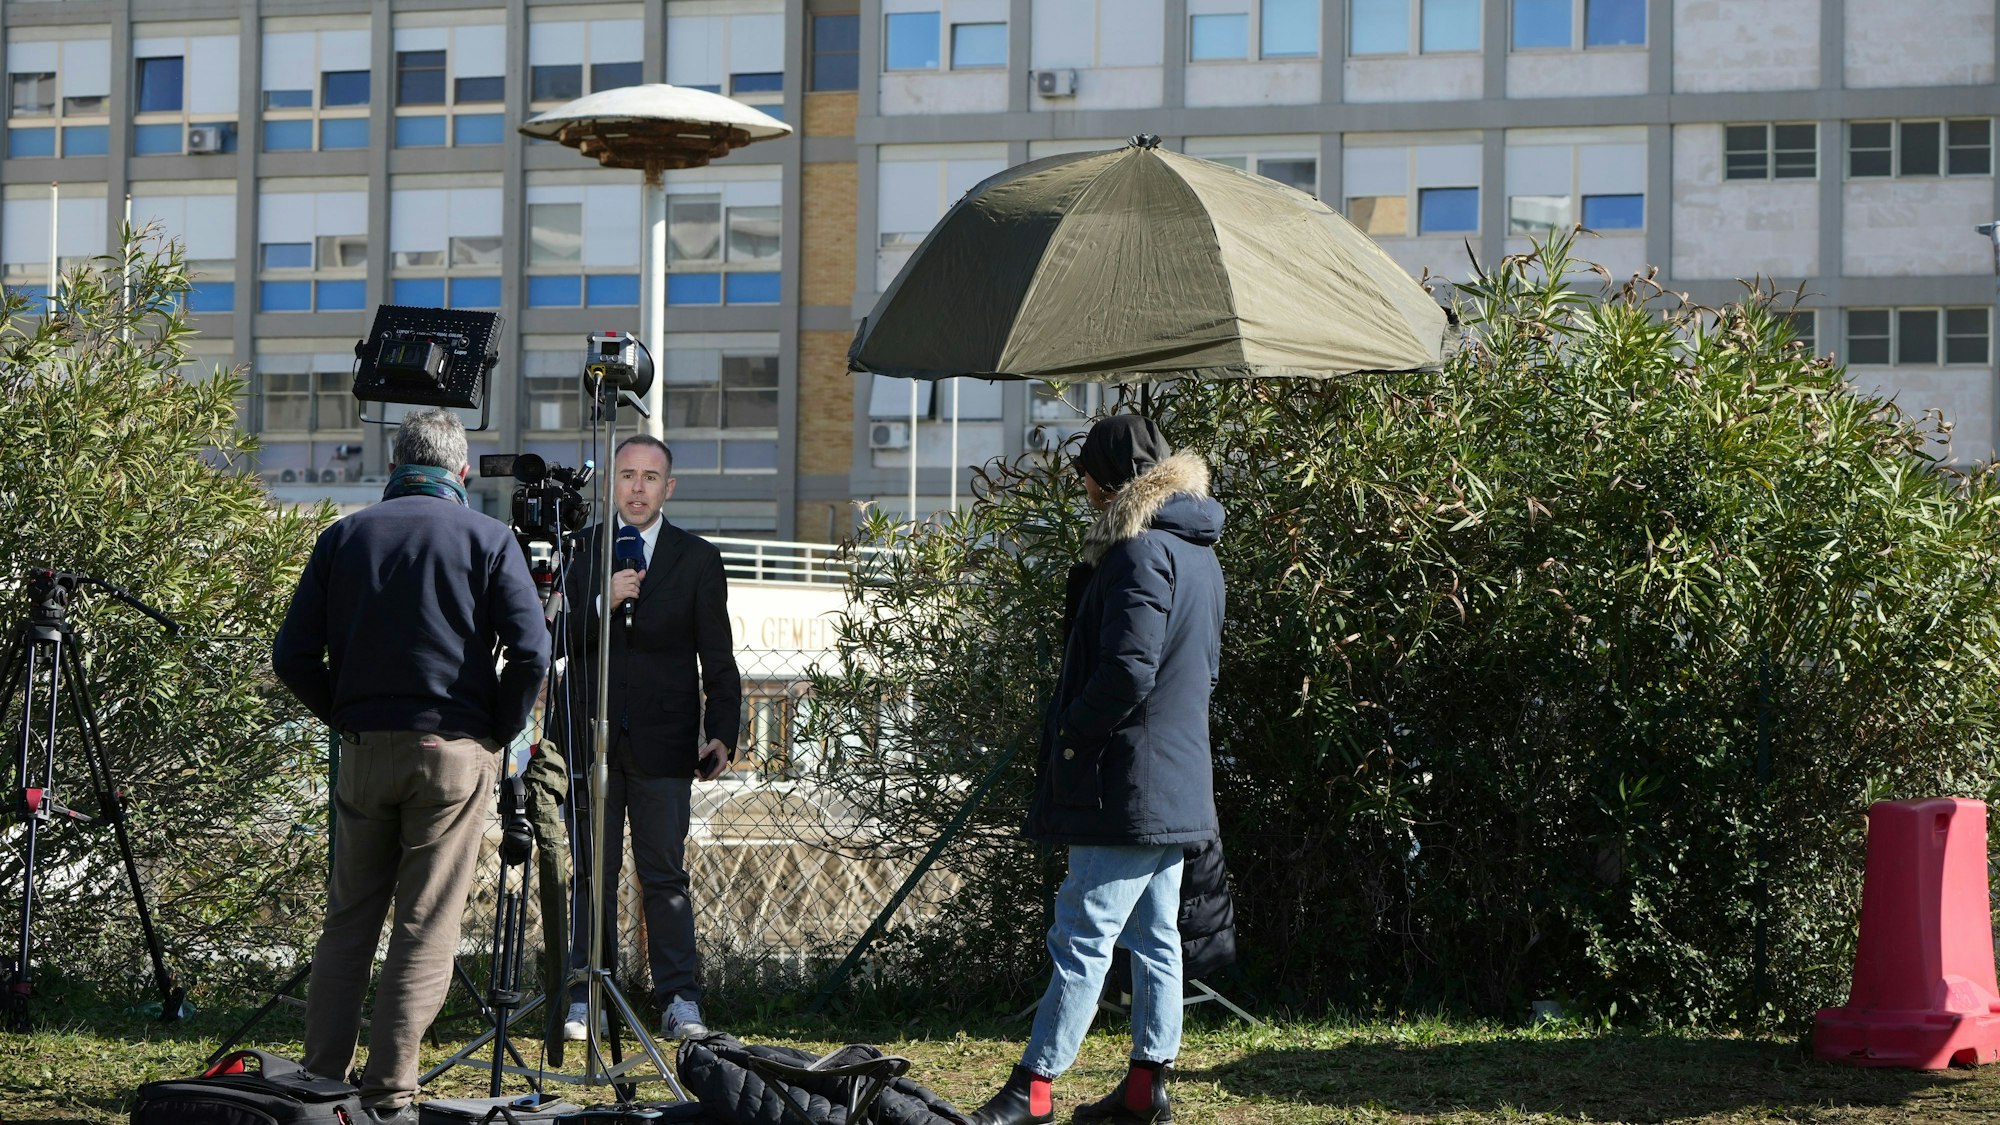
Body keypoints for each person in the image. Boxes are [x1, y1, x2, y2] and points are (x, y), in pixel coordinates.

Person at [272, 408, 550, 1120]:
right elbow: (533, 652)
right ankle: (390, 1096)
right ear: (461, 472)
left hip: (365, 750)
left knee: (349, 921)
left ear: (397, 464)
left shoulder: (343, 536)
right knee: (425, 924)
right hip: (453, 753)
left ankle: (319, 1082)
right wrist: (497, 727)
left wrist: (345, 713)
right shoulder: (489, 539)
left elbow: (291, 656)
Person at [968, 414, 1226, 1125]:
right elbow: (1195, 669)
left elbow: (1128, 669)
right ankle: (1145, 1089)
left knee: (1082, 932)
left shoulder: (1139, 552)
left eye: (1084, 470)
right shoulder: (1198, 552)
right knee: (1154, 935)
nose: (1079, 483)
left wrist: (1072, 730)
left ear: (1108, 477)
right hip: (1172, 775)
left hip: (1126, 779)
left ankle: (1034, 1087)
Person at [561, 434, 741, 1042]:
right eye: (627, 476)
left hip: (665, 746)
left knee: (663, 877)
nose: (637, 488)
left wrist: (721, 732)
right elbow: (553, 636)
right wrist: (601, 601)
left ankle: (679, 1000)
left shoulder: (697, 558)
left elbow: (718, 657)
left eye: (649, 477)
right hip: (590, 739)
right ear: (613, 482)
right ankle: (587, 995)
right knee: (592, 873)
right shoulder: (582, 550)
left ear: (670, 487)